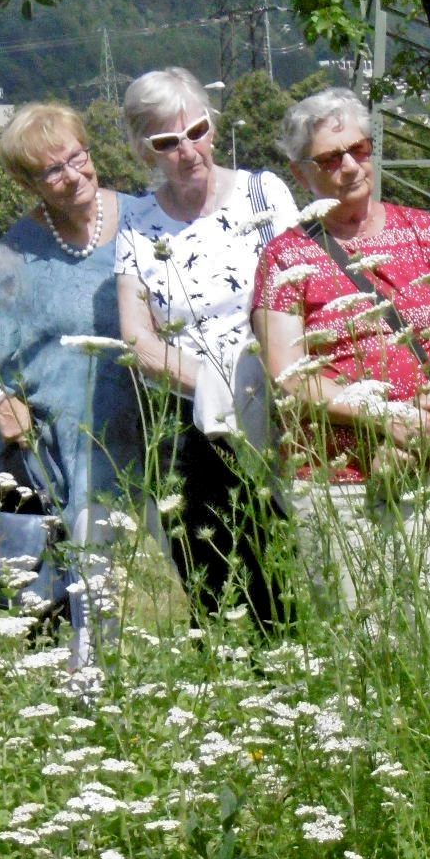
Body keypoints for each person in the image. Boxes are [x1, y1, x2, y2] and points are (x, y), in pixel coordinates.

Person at [0, 102, 144, 666]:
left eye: (77, 158)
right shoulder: (22, 249)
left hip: (163, 437)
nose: (73, 177)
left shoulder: (145, 220)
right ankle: (91, 722)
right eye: (52, 171)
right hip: (75, 452)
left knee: (215, 574)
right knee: (90, 607)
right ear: (27, 182)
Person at [251, 88, 430, 610]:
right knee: (365, 643)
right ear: (301, 172)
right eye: (330, 158)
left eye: (361, 149)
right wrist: (386, 416)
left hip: (426, 465)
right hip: (335, 481)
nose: (350, 166)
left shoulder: (425, 233)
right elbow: (289, 372)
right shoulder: (286, 257)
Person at [115, 67, 296, 630]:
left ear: (212, 126)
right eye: (167, 143)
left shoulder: (265, 193)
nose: (187, 150)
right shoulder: (136, 225)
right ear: (145, 151)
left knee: (282, 566)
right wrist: (216, 389)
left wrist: (256, 388)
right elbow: (136, 336)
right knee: (208, 574)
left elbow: (298, 293)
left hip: (275, 405)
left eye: (195, 130)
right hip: (185, 417)